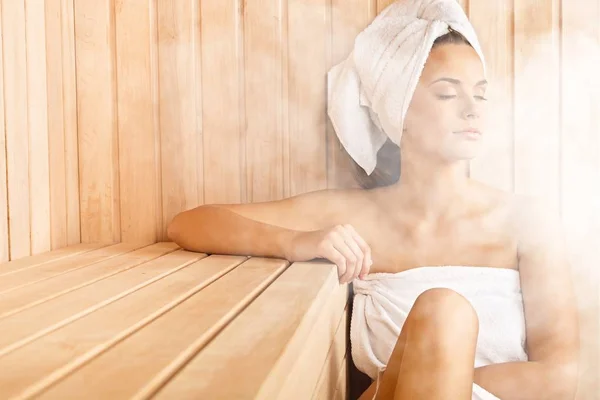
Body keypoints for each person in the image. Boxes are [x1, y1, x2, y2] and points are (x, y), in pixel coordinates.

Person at [167, 1, 579, 398]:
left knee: (445, 315)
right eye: (447, 94)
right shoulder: (354, 216)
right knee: (443, 314)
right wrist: (297, 243)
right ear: (399, 111)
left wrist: (433, 380)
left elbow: (559, 377)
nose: (472, 109)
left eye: (480, 93)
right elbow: (190, 223)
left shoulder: (528, 222)